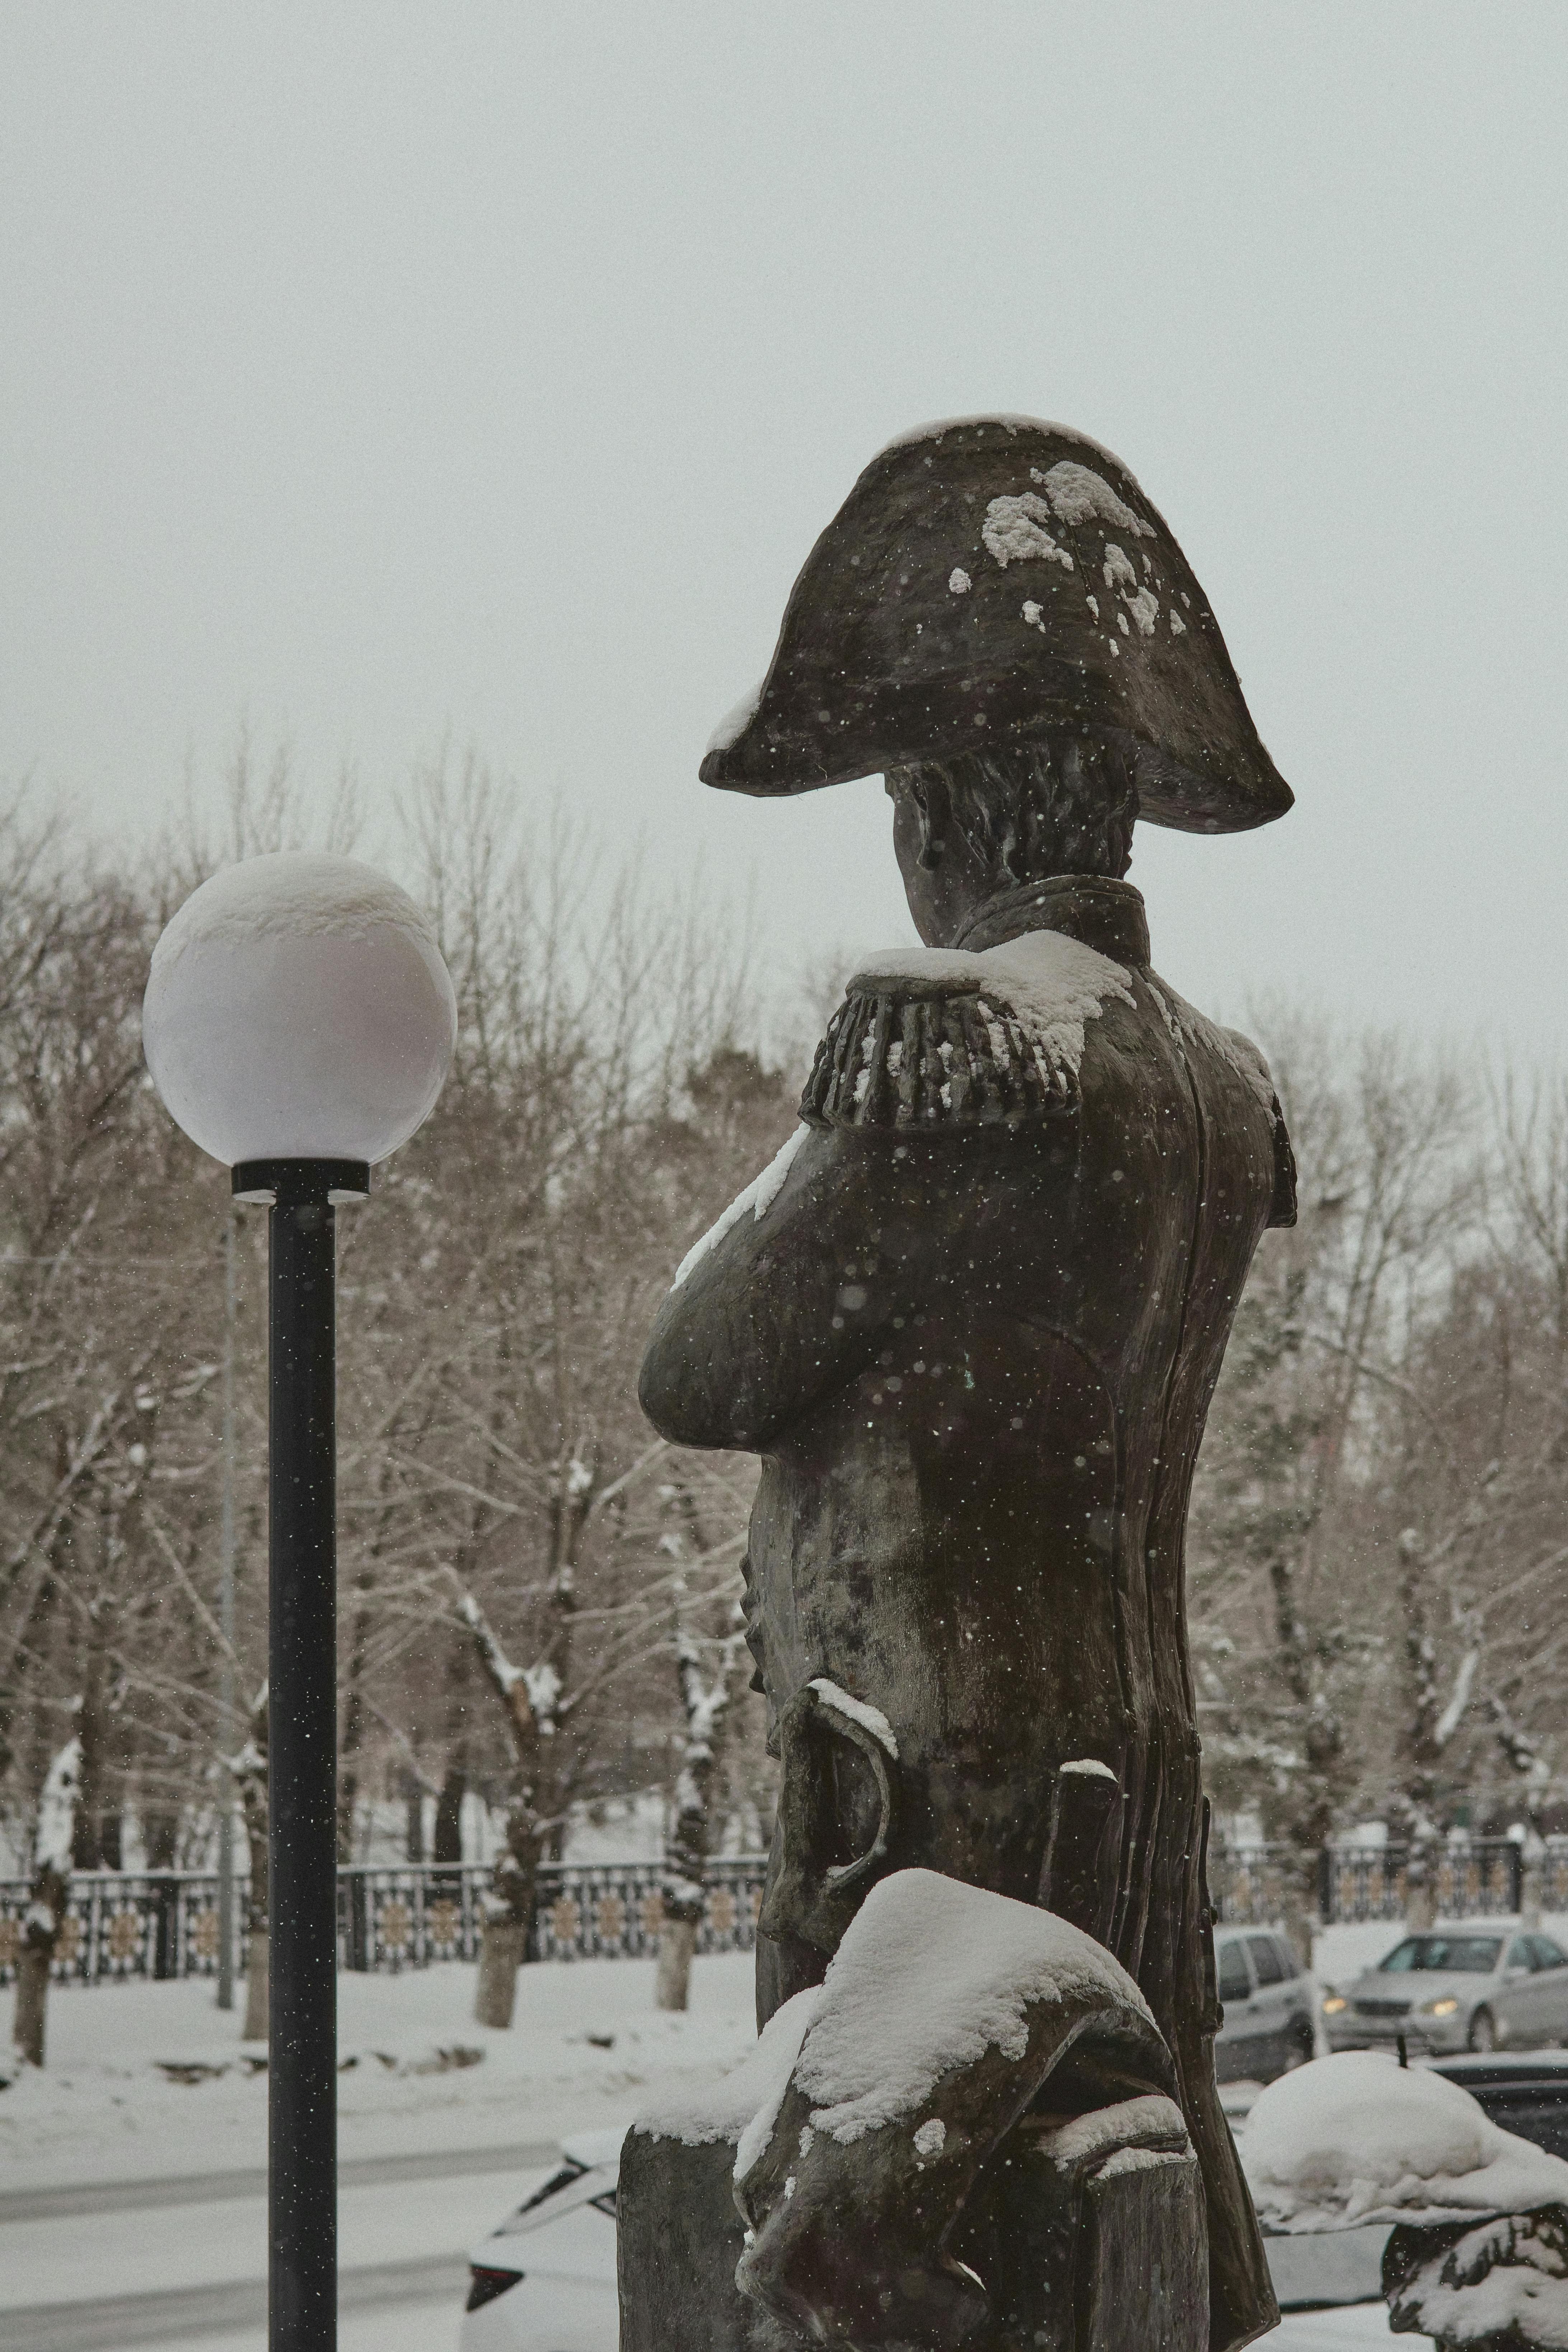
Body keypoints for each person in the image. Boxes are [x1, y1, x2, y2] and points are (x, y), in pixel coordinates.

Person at [637, 416, 1297, 2352]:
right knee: (1133, 2213)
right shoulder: (1213, 1081)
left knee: (885, 2252)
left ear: (943, 813)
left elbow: (702, 1366)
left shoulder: (963, 1047)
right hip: (1128, 1746)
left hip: (918, 1771)